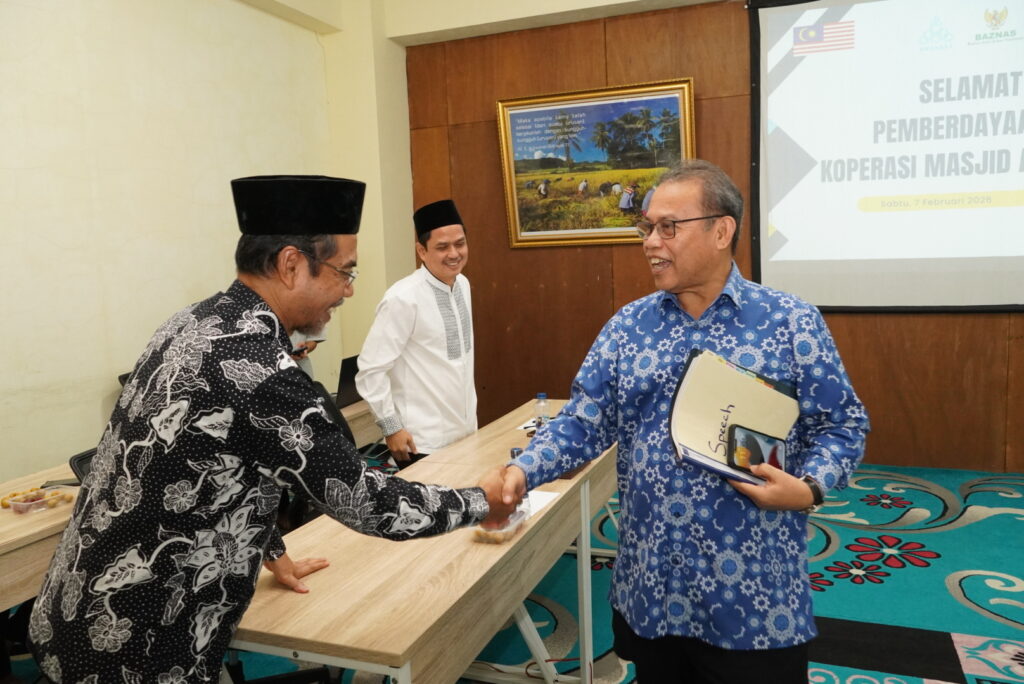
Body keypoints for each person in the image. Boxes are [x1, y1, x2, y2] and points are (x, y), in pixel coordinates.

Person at [28, 176, 514, 683]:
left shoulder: (191, 322)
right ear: (291, 265)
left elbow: (212, 465)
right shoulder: (263, 372)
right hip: (132, 645)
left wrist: (271, 548)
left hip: (70, 612)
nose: (349, 290)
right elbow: (367, 502)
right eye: (345, 272)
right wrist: (481, 501)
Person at [500, 160, 869, 682]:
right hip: (653, 588)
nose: (651, 242)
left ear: (722, 231)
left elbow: (843, 425)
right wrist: (523, 471)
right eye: (646, 227)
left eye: (668, 227)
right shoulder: (627, 328)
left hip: (753, 598)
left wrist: (808, 488)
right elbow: (583, 421)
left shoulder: (789, 323)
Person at [356, 199, 475, 468]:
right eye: (442, 247)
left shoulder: (463, 284)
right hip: (422, 442)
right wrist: (391, 428)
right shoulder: (403, 298)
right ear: (422, 251)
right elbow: (370, 371)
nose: (454, 254)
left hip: (466, 434)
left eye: (460, 244)